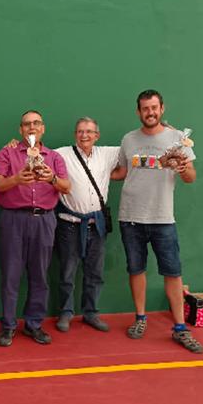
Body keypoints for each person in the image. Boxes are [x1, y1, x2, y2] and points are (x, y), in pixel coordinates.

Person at [116, 89, 203, 353]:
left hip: (163, 218)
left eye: (154, 108)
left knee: (173, 273)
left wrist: (182, 166)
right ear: (138, 112)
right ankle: (140, 318)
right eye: (145, 108)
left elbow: (190, 177)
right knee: (136, 269)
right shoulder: (128, 139)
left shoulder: (178, 138)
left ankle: (179, 328)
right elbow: (121, 171)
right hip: (130, 216)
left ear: (162, 108)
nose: (150, 112)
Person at [0, 111, 70, 346]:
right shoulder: (7, 153)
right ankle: (8, 326)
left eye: (36, 123)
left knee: (40, 275)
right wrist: (16, 179)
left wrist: (52, 178)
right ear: (20, 129)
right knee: (11, 275)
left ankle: (34, 324)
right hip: (13, 219)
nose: (31, 128)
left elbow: (67, 187)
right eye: (26, 124)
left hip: (44, 220)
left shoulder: (53, 157)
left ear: (43, 128)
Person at [54, 117, 125, 333]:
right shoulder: (61, 154)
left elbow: (133, 150)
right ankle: (66, 312)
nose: (84, 135)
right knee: (67, 272)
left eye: (89, 131)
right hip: (70, 224)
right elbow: (36, 154)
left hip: (97, 224)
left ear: (97, 135)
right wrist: (13, 146)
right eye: (80, 131)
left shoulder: (107, 154)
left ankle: (91, 312)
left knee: (95, 272)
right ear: (75, 134)